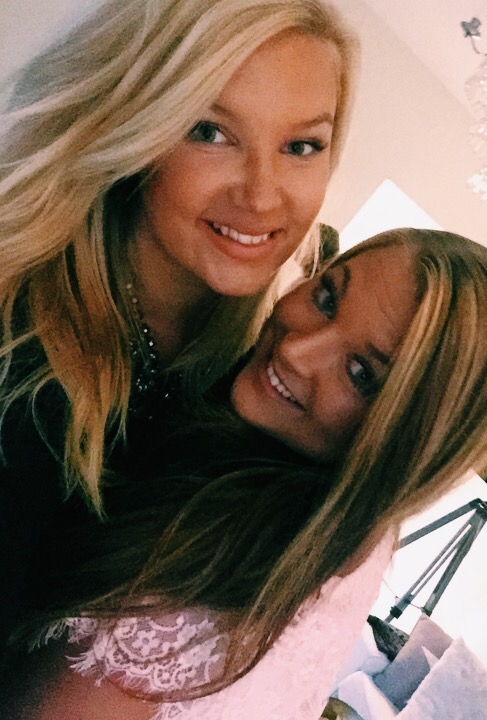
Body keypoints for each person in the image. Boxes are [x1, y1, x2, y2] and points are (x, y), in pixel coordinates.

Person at [2, 228, 487, 719]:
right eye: (327, 298)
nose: (297, 350)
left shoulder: (213, 560)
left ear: (406, 447)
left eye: (360, 373)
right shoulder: (352, 530)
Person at [0, 0, 357, 645]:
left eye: (301, 146)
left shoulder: (249, 381)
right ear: (135, 120)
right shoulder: (19, 341)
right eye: (209, 132)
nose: (261, 195)